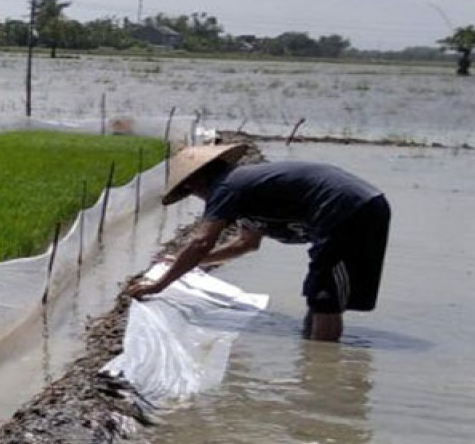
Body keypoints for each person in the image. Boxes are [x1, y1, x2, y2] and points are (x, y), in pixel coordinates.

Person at [125, 144, 390, 342]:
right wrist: (187, 262)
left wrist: (158, 285)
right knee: (321, 293)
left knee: (325, 294)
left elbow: (201, 241)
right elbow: (245, 243)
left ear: (198, 179)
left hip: (348, 208)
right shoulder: (245, 187)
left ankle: (323, 368)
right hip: (360, 206)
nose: (193, 195)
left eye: (189, 189)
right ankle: (317, 355)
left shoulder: (227, 188)